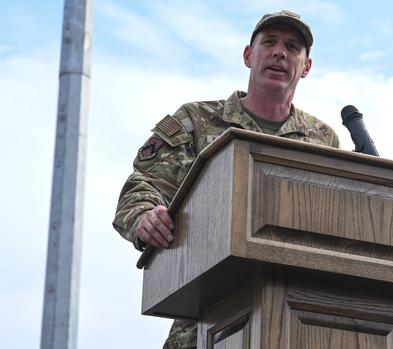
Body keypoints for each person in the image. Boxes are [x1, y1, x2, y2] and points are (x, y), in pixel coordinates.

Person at [113, 10, 339, 349]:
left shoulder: (324, 140)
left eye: (292, 47)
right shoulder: (198, 121)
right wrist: (146, 218)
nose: (280, 52)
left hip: (300, 324)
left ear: (306, 67)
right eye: (269, 43)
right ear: (249, 55)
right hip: (208, 322)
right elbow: (142, 186)